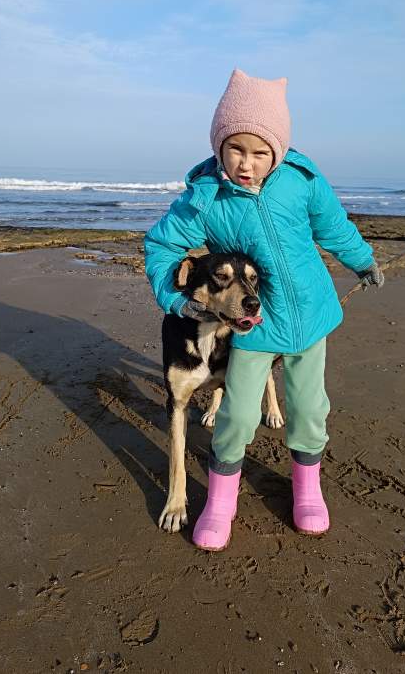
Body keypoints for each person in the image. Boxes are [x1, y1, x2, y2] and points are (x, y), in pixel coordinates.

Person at [144, 68, 383, 551]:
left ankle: (307, 489)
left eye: (259, 153)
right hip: (256, 326)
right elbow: (161, 246)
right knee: (236, 415)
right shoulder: (206, 198)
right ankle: (220, 502)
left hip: (311, 317)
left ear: (277, 151)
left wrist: (363, 260)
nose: (246, 164)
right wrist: (176, 299)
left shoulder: (301, 179)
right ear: (219, 146)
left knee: (309, 408)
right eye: (235, 149)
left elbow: (333, 226)